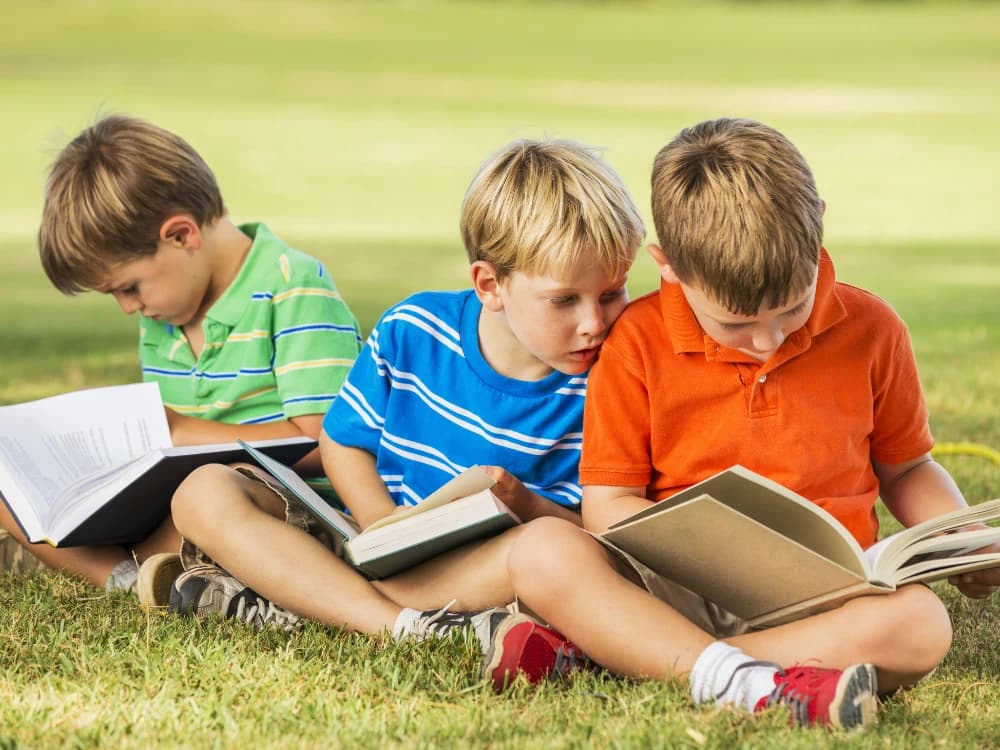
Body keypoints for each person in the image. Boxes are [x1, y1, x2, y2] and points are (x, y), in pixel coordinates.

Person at [487, 118, 1000, 730]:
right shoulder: (636, 344)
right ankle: (740, 672)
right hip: (673, 586)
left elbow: (908, 467)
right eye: (733, 325)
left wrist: (955, 542)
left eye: (791, 310)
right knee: (546, 550)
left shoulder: (874, 329)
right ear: (669, 266)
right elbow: (608, 505)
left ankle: (638, 657)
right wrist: (712, 552)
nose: (767, 340)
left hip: (820, 597)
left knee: (921, 626)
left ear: (818, 236)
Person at [150, 138, 646, 661]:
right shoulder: (415, 328)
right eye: (564, 300)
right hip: (367, 539)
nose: (594, 323)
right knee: (203, 492)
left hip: (485, 569)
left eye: (612, 292)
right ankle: (408, 626)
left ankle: (304, 602)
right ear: (489, 285)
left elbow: (595, 536)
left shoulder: (614, 375)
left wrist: (525, 504)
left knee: (553, 559)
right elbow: (343, 442)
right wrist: (379, 525)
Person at [0, 115, 362, 599]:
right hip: (178, 501)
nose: (129, 307)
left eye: (129, 288)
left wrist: (178, 432)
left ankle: (136, 566)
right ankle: (127, 578)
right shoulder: (165, 317)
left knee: (213, 490)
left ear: (182, 235)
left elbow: (328, 445)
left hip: (281, 503)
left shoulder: (292, 288)